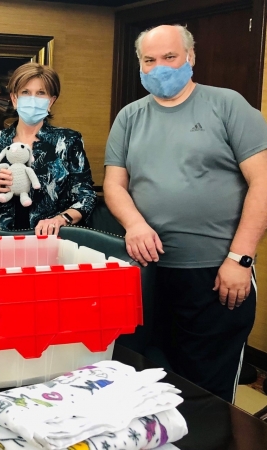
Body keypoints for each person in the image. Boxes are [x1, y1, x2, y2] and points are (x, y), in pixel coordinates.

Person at [104, 24, 267, 403]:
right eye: (149, 60)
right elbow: (114, 184)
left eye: (169, 57)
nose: (159, 67)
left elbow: (262, 183)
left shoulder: (227, 105)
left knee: (206, 390)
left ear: (191, 57)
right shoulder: (129, 116)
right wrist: (135, 224)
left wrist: (240, 257)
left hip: (215, 273)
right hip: (146, 272)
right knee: (147, 378)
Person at [0, 62, 96, 235]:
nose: (32, 99)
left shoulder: (68, 141)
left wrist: (60, 219)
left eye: (40, 93)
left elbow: (85, 196)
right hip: (2, 242)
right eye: (25, 92)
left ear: (51, 101)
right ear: (14, 99)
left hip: (52, 241)